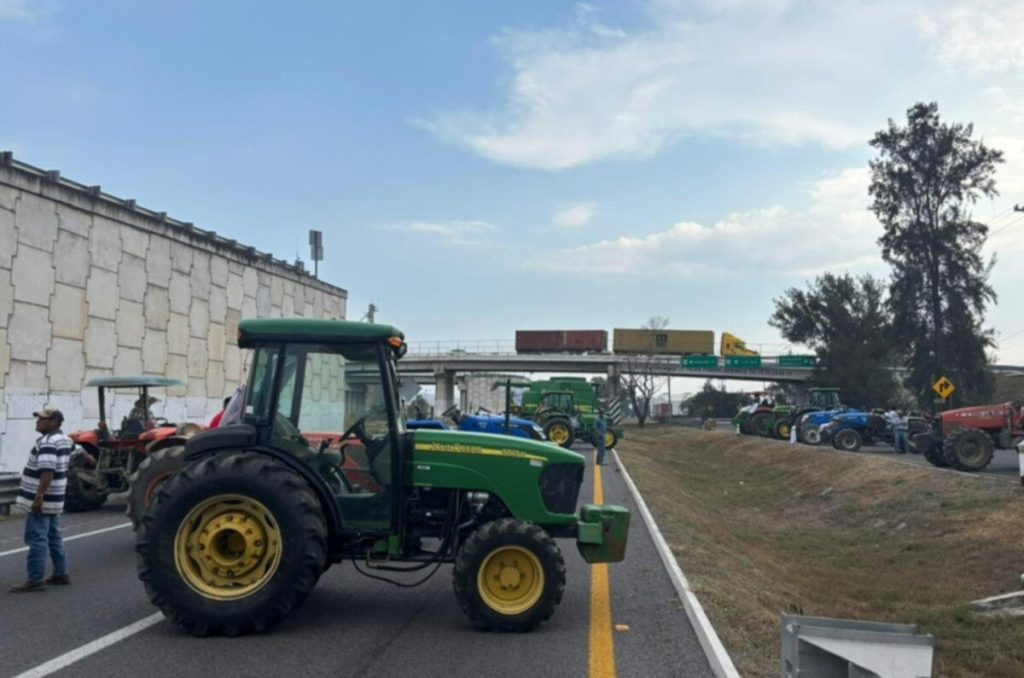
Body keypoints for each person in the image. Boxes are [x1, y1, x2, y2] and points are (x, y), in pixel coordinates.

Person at [10, 408, 74, 592]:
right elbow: (81, 455)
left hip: (43, 499)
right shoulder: (65, 439)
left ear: (53, 422)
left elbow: (47, 471)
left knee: (36, 538)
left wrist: (39, 497)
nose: (37, 422)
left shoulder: (47, 442)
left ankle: (35, 579)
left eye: (42, 419)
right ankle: (61, 573)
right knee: (54, 536)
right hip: (56, 498)